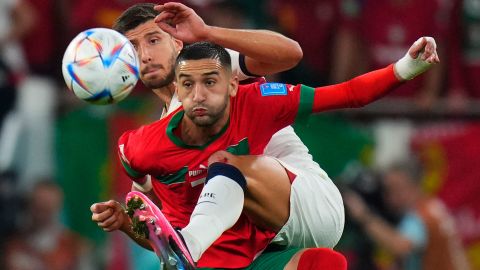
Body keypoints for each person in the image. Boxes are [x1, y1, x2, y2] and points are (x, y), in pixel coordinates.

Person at [92, 34, 438, 269]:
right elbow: (156, 227)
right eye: (188, 86)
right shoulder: (140, 147)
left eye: (210, 82)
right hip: (241, 254)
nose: (198, 95)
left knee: (225, 164)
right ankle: (193, 245)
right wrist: (125, 221)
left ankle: (193, 243)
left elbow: (347, 93)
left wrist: (407, 67)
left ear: (232, 85)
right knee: (327, 264)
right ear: (177, 94)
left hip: (295, 207)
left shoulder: (257, 101)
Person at [94, 0, 344, 257]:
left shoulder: (209, 70)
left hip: (308, 203)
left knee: (224, 166)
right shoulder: (158, 141)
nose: (145, 55)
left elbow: (290, 54)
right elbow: (170, 240)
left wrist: (206, 33)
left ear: (177, 43)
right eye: (133, 48)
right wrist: (125, 223)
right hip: (265, 242)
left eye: (153, 40)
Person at [344, 160, 470, 270]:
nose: (391, 197)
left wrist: (363, 216)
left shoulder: (419, 217)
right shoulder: (433, 207)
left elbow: (399, 245)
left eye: (396, 189)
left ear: (415, 185)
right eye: (387, 190)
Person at [4, 180, 94, 270]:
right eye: (38, 207)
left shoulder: (76, 247)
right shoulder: (14, 246)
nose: (41, 214)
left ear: (58, 207)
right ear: (29, 205)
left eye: (47, 208)